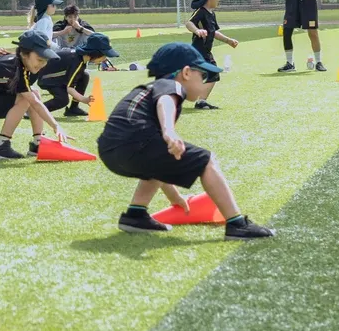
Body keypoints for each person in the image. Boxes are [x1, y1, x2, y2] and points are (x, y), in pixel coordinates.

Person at [97, 42, 276, 239]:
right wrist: (169, 131)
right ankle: (237, 224)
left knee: (159, 158)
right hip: (135, 141)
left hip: (109, 150)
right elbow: (165, 101)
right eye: (203, 76)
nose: (205, 82)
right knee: (206, 161)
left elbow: (160, 164)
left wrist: (175, 198)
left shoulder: (148, 89)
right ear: (187, 72)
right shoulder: (171, 85)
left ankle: (135, 215)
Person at [0, 30, 70, 160]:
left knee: (33, 93)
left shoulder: (21, 58)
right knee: (27, 99)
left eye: (45, 60)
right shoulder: (14, 68)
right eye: (40, 59)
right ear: (25, 54)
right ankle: (0, 145)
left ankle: (38, 143)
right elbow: (35, 104)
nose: (42, 64)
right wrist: (56, 126)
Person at [184, 0, 239, 110]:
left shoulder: (211, 14)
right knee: (212, 74)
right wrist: (197, 30)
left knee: (201, 76)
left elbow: (214, 32)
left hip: (205, 51)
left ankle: (197, 99)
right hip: (199, 51)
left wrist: (228, 40)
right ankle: (200, 101)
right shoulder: (200, 11)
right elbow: (189, 23)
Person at [38, 32, 119, 117]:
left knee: (84, 76)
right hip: (48, 79)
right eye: (104, 55)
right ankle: (34, 111)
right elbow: (70, 88)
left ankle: (73, 108)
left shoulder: (80, 57)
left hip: (58, 76)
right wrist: (84, 100)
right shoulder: (77, 62)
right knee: (62, 100)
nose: (105, 59)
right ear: (96, 53)